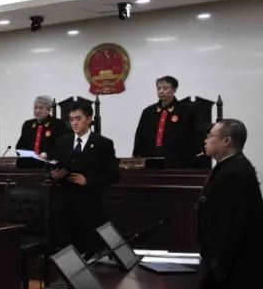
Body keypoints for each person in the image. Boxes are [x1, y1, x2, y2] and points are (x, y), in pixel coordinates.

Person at [197, 119, 263, 289]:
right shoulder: (231, 166)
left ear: (226, 141)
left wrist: (215, 265)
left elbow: (229, 226)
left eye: (211, 135)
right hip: (234, 263)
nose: (206, 140)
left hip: (237, 267)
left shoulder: (234, 172)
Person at [49, 102, 119, 254]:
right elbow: (52, 164)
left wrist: (87, 181)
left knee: (87, 247)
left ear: (89, 119)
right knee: (66, 247)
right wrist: (53, 174)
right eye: (71, 119)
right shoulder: (62, 141)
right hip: (64, 203)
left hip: (89, 203)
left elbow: (112, 175)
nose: (74, 123)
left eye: (78, 118)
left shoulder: (103, 143)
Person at [132, 76, 201, 168]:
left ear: (174, 90)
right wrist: (136, 155)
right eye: (158, 88)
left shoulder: (186, 111)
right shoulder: (148, 112)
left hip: (178, 161)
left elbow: (195, 136)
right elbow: (140, 136)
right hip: (150, 159)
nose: (161, 91)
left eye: (165, 88)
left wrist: (191, 157)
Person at [15, 95, 69, 167]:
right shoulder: (27, 125)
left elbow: (62, 147)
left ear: (49, 109)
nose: (37, 111)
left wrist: (48, 154)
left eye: (41, 108)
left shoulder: (58, 124)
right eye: (35, 107)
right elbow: (20, 146)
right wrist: (26, 154)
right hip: (29, 165)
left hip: (48, 165)